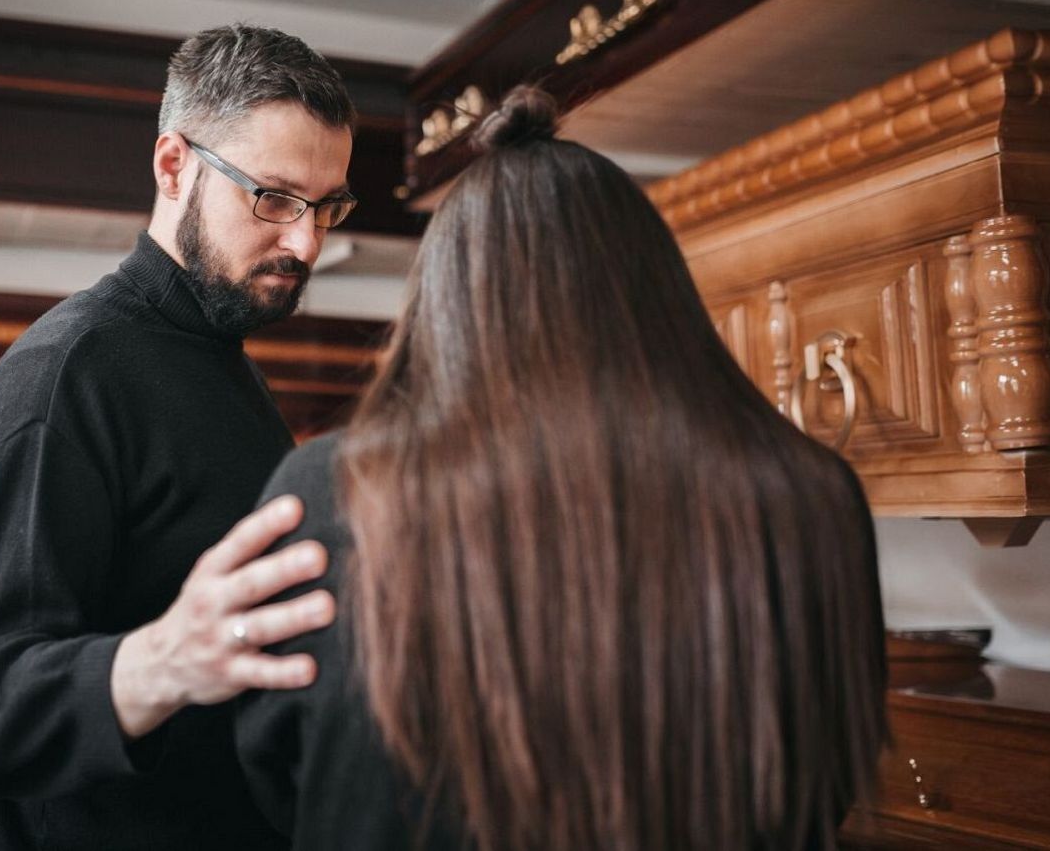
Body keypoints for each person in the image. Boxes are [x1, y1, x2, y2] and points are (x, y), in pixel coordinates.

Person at [236, 86, 889, 851]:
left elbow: (275, 768)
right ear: (654, 291)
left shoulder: (328, 494)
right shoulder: (810, 493)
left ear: (446, 301)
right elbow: (832, 769)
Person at [0, 24, 362, 850]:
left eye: (327, 206)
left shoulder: (226, 362)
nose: (306, 240)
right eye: (275, 197)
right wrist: (169, 657)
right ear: (173, 165)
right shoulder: (66, 375)